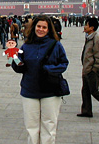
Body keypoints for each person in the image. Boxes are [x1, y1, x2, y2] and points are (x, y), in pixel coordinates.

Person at [12, 15, 69, 144]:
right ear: (34, 27)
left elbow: (64, 63)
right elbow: (19, 67)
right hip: (30, 90)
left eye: (44, 27)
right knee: (31, 128)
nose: (41, 29)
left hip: (50, 91)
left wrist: (49, 69)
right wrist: (13, 59)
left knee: (49, 127)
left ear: (49, 29)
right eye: (39, 26)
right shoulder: (26, 46)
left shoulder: (56, 45)